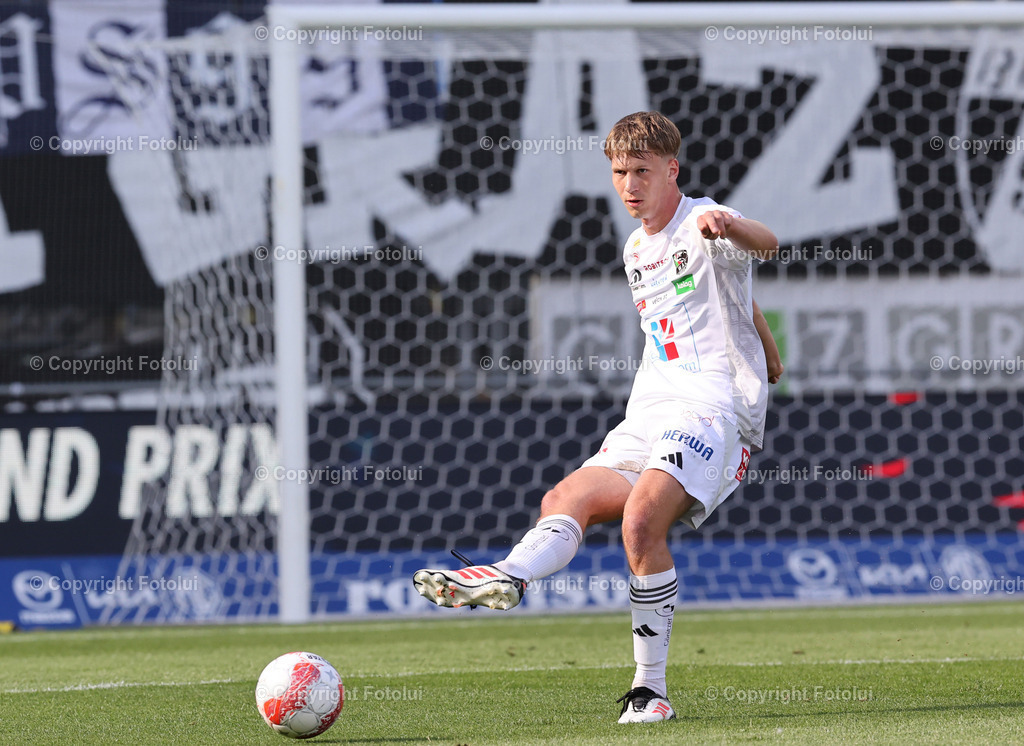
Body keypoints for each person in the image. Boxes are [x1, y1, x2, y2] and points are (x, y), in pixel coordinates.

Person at [414, 111, 780, 724]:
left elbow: (765, 245)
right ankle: (507, 575)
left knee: (641, 524)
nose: (630, 185)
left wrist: (732, 225)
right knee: (567, 495)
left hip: (713, 411)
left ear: (672, 170)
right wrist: (766, 345)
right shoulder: (637, 249)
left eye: (642, 171)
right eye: (619, 172)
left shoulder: (704, 221)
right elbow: (733, 296)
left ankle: (650, 690)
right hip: (649, 410)